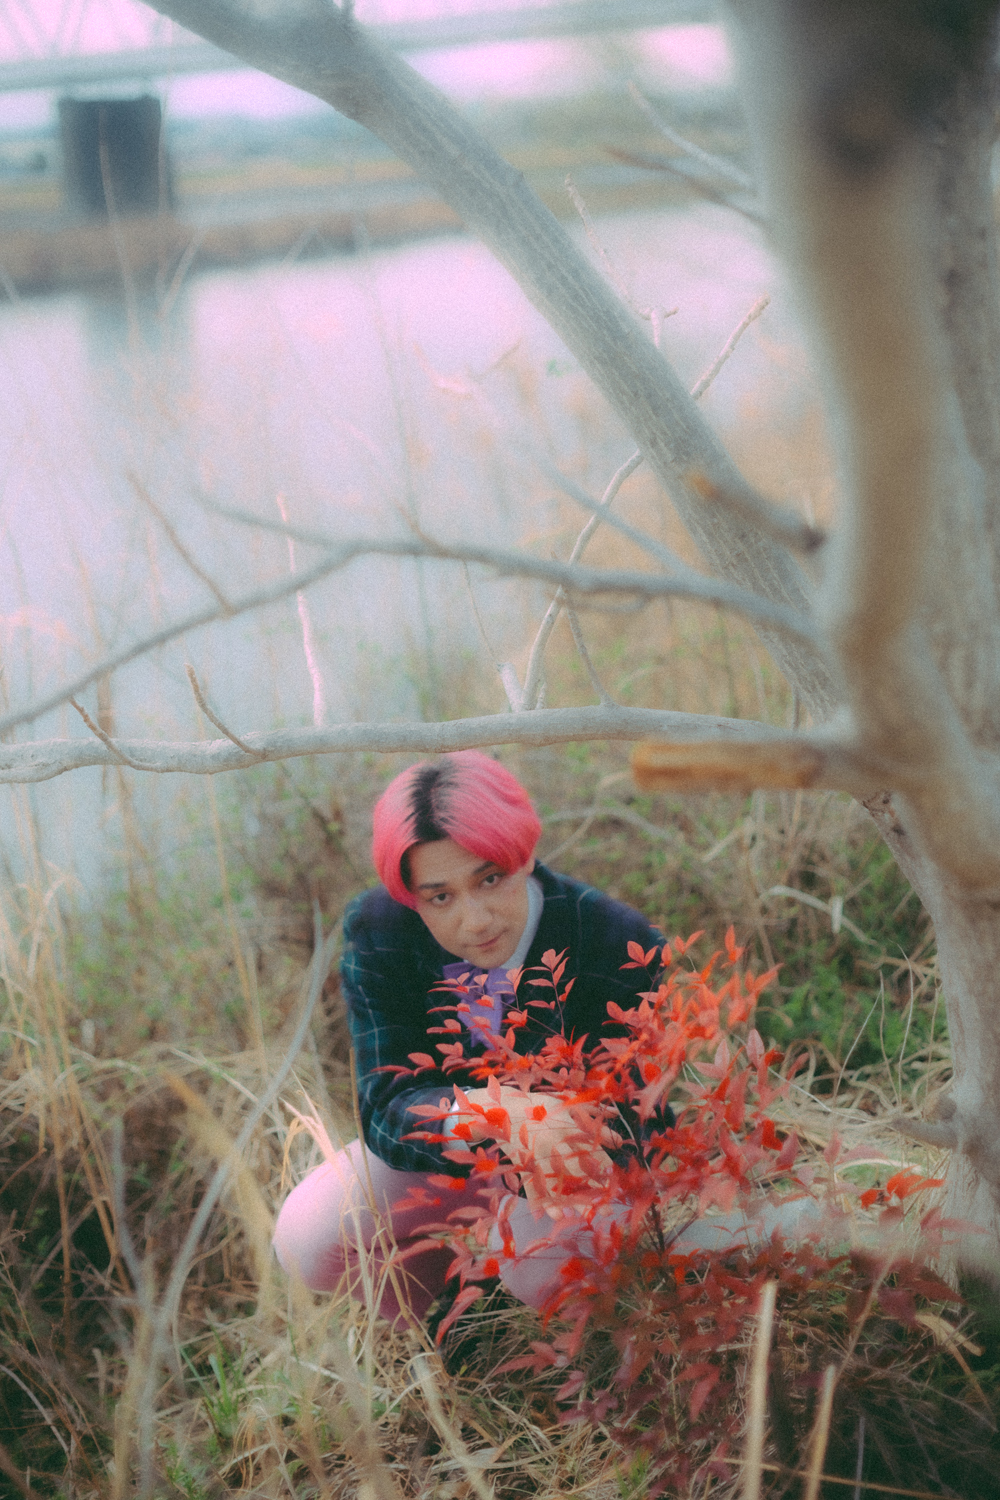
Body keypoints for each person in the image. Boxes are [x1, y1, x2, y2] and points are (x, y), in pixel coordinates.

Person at [272, 750, 682, 1320]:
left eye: (490, 879)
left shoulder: (617, 941)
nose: (476, 920)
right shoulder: (381, 929)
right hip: (457, 1148)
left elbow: (632, 1127)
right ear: (410, 895)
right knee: (308, 1239)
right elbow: (385, 1108)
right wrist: (496, 1113)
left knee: (539, 1266)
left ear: (524, 855)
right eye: (440, 896)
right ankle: (448, 1324)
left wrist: (543, 1134)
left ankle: (596, 1335)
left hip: (575, 1162)